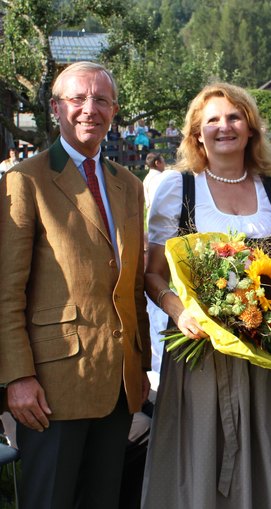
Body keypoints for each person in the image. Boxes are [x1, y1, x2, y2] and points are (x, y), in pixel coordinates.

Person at [142, 82, 271, 509]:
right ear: (196, 134)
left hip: (269, 353)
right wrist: (181, 311)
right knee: (200, 455)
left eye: (235, 117)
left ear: (251, 128)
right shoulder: (178, 189)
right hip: (201, 353)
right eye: (213, 120)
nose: (225, 127)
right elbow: (151, 274)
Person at [0, 61, 151, 509]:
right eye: (78, 99)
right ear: (55, 108)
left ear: (114, 111)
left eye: (101, 100)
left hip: (117, 381)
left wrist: (138, 365)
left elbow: (133, 283)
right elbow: (7, 291)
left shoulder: (129, 185)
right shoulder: (26, 180)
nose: (90, 109)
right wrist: (18, 376)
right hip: (50, 385)